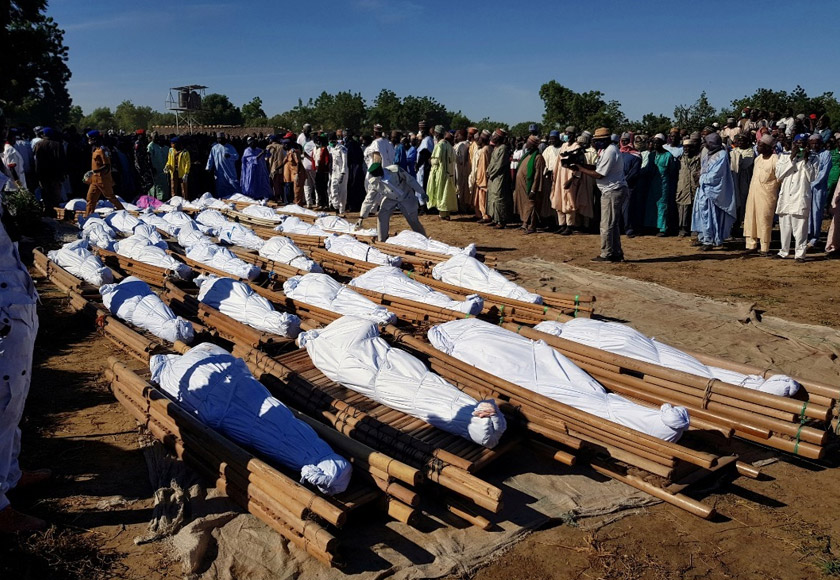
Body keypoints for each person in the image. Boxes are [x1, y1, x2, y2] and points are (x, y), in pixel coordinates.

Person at [571, 127, 627, 262]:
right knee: (612, 224)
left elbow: (599, 174)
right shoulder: (608, 150)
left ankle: (606, 253)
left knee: (606, 224)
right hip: (612, 189)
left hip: (612, 190)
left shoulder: (610, 152)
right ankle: (615, 252)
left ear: (605, 140)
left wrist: (580, 169)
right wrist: (581, 165)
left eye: (598, 141)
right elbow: (597, 168)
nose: (596, 143)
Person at [357, 162, 427, 242]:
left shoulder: (395, 170)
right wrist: (361, 217)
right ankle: (382, 240)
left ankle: (424, 239)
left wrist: (421, 192)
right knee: (382, 216)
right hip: (391, 199)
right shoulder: (375, 183)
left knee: (413, 220)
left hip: (406, 196)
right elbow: (369, 199)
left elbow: (410, 180)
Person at [692, 133, 737, 251]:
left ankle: (710, 240)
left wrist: (700, 178)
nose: (705, 144)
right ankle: (703, 237)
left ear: (712, 143)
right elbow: (704, 168)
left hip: (713, 191)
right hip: (703, 189)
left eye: (707, 142)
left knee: (710, 216)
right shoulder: (707, 153)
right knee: (702, 214)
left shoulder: (722, 155)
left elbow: (716, 174)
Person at [775, 134, 815, 262]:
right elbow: (779, 175)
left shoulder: (813, 158)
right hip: (786, 198)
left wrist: (806, 160)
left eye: (802, 143)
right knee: (785, 227)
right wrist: (792, 158)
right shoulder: (784, 157)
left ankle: (800, 254)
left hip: (800, 198)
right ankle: (783, 251)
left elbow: (812, 177)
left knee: (800, 229)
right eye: (797, 143)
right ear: (793, 144)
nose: (800, 145)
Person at [742, 134, 781, 256]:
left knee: (764, 220)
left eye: (761, 145)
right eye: (758, 144)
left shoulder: (776, 159)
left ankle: (764, 247)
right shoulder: (757, 159)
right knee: (750, 218)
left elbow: (779, 178)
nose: (758, 147)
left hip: (767, 194)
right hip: (753, 193)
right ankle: (751, 244)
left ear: (769, 147)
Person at [83, 130, 124, 217]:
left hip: (103, 179)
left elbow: (107, 166)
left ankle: (124, 213)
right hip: (94, 179)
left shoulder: (102, 150)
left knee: (111, 197)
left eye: (90, 139)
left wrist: (94, 171)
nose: (89, 141)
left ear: (95, 139)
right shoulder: (95, 149)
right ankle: (88, 216)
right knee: (90, 199)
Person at [513, 135, 549, 234]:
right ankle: (525, 223)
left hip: (531, 188)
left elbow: (538, 176)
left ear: (533, 145)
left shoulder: (538, 158)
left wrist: (533, 190)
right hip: (522, 187)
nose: (526, 144)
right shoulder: (527, 155)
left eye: (528, 143)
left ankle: (532, 226)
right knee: (525, 206)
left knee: (531, 206)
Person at [644, 133, 677, 236]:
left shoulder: (668, 156)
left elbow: (672, 172)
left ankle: (662, 228)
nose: (654, 145)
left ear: (662, 143)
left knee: (662, 206)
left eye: (657, 143)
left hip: (663, 184)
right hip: (652, 183)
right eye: (653, 142)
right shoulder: (652, 155)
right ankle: (651, 226)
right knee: (651, 204)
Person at [551, 126, 581, 235]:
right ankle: (561, 225)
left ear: (574, 135)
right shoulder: (563, 146)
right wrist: (554, 175)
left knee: (569, 201)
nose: (567, 135)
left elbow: (579, 166)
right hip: (560, 176)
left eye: (569, 133)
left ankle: (570, 226)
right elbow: (558, 162)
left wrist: (572, 179)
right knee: (558, 199)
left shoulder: (577, 147)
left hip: (569, 177)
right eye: (566, 133)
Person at [33, 127, 66, 217]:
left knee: (45, 193)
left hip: (43, 175)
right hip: (55, 175)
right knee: (55, 194)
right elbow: (62, 161)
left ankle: (47, 211)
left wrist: (37, 174)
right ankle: (55, 212)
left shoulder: (38, 145)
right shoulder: (58, 145)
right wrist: (62, 174)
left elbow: (36, 162)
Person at [426, 125, 457, 220]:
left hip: (440, 173)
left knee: (441, 192)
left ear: (436, 134)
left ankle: (443, 214)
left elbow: (435, 161)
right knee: (446, 193)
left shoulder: (439, 145)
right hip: (449, 173)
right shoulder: (449, 145)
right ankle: (445, 213)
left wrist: (429, 160)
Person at [807, 134, 832, 249]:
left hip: (818, 188)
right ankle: (806, 235)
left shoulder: (826, 154)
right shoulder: (809, 154)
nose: (814, 145)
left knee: (816, 212)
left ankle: (814, 237)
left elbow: (824, 172)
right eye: (812, 143)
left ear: (821, 143)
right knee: (806, 212)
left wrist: (813, 184)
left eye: (816, 142)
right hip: (806, 187)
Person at [486, 128, 512, 229]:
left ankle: (501, 221)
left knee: (498, 198)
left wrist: (491, 173)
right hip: (493, 177)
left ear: (499, 138)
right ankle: (494, 218)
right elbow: (492, 163)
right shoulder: (496, 148)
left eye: (495, 136)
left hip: (499, 177)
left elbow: (499, 165)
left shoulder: (503, 149)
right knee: (492, 197)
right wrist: (488, 171)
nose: (493, 137)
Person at [730, 133, 756, 234]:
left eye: (742, 141)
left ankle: (738, 224)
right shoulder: (735, 150)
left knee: (742, 200)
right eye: (739, 141)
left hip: (744, 178)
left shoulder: (750, 152)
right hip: (734, 177)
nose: (740, 143)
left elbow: (744, 164)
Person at [675, 138, 701, 237]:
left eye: (689, 147)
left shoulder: (698, 158)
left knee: (695, 208)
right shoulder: (679, 159)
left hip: (694, 186)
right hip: (682, 186)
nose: (687, 149)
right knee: (683, 208)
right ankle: (682, 228)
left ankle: (695, 228)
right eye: (685, 147)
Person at [618, 132, 642, 237]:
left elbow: (634, 171)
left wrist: (625, 181)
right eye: (622, 140)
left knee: (628, 208)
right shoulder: (618, 153)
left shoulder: (636, 154)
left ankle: (629, 229)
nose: (624, 142)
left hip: (629, 185)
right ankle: (619, 228)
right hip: (617, 184)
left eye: (626, 140)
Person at [205, 132, 240, 198]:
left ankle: (237, 198)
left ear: (224, 139)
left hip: (229, 171)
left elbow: (237, 156)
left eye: (221, 138)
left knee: (233, 184)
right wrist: (208, 167)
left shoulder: (230, 147)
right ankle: (222, 199)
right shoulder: (214, 148)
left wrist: (230, 156)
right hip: (219, 171)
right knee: (220, 185)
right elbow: (210, 158)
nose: (219, 140)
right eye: (218, 139)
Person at [472, 130, 492, 223]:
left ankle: (485, 216)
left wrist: (480, 180)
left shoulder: (484, 150)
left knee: (483, 198)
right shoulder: (488, 148)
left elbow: (483, 167)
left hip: (483, 179)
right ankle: (479, 214)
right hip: (482, 178)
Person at [328, 133, 348, 215]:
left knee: (342, 191)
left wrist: (343, 173)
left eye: (331, 141)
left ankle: (341, 210)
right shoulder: (331, 148)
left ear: (335, 140)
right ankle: (335, 207)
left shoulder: (342, 148)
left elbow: (344, 162)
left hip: (341, 172)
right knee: (333, 189)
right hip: (333, 172)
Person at [453, 129, 472, 215]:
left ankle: (462, 207)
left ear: (462, 136)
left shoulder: (462, 145)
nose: (456, 136)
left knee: (460, 188)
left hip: (460, 170)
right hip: (461, 170)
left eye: (458, 135)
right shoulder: (464, 144)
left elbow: (459, 159)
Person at [147, 133, 169, 200]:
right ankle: (152, 199)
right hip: (154, 168)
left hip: (161, 168)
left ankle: (162, 198)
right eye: (155, 137)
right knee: (155, 185)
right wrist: (151, 167)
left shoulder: (159, 146)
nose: (156, 138)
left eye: (157, 137)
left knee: (163, 184)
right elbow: (149, 158)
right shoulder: (151, 146)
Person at [266, 134, 285, 202]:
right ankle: (282, 197)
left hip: (272, 168)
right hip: (281, 167)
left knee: (274, 183)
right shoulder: (282, 147)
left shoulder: (269, 147)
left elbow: (266, 158)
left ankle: (275, 198)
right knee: (281, 184)